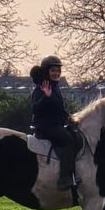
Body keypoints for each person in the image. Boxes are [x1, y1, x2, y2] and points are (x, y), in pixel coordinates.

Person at [30, 55, 78, 190]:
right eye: (53, 70)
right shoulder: (41, 88)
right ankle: (65, 179)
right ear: (46, 72)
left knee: (75, 135)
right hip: (45, 127)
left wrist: (71, 119)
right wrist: (46, 97)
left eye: (58, 70)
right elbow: (35, 109)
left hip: (56, 125)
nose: (56, 73)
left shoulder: (55, 88)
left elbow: (60, 109)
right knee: (68, 140)